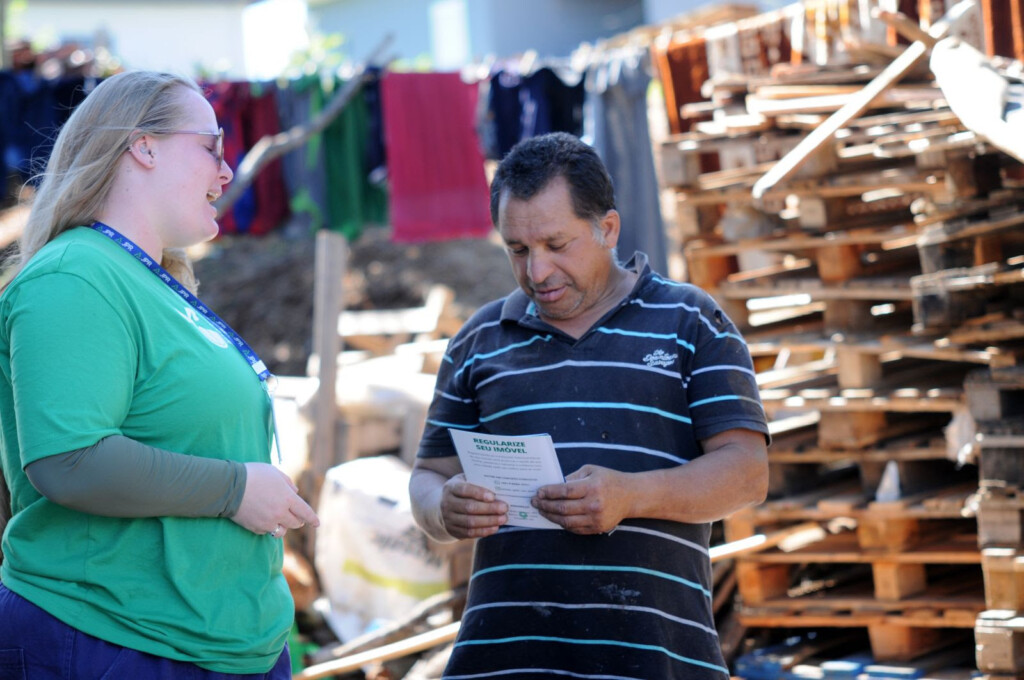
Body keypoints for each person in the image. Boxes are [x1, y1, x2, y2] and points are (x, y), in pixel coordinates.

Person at [410, 132, 769, 679]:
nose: (537, 272)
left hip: (652, 662)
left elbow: (747, 474)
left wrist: (632, 495)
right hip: (505, 664)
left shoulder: (691, 323)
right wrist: (443, 508)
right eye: (518, 250)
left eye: (557, 244)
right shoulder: (479, 341)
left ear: (608, 229)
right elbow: (427, 477)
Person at [0, 71, 319, 679]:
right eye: (212, 148)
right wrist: (235, 490)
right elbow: (68, 460)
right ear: (143, 147)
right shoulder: (74, 276)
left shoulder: (143, 279)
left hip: (205, 646)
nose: (226, 172)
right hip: (115, 641)